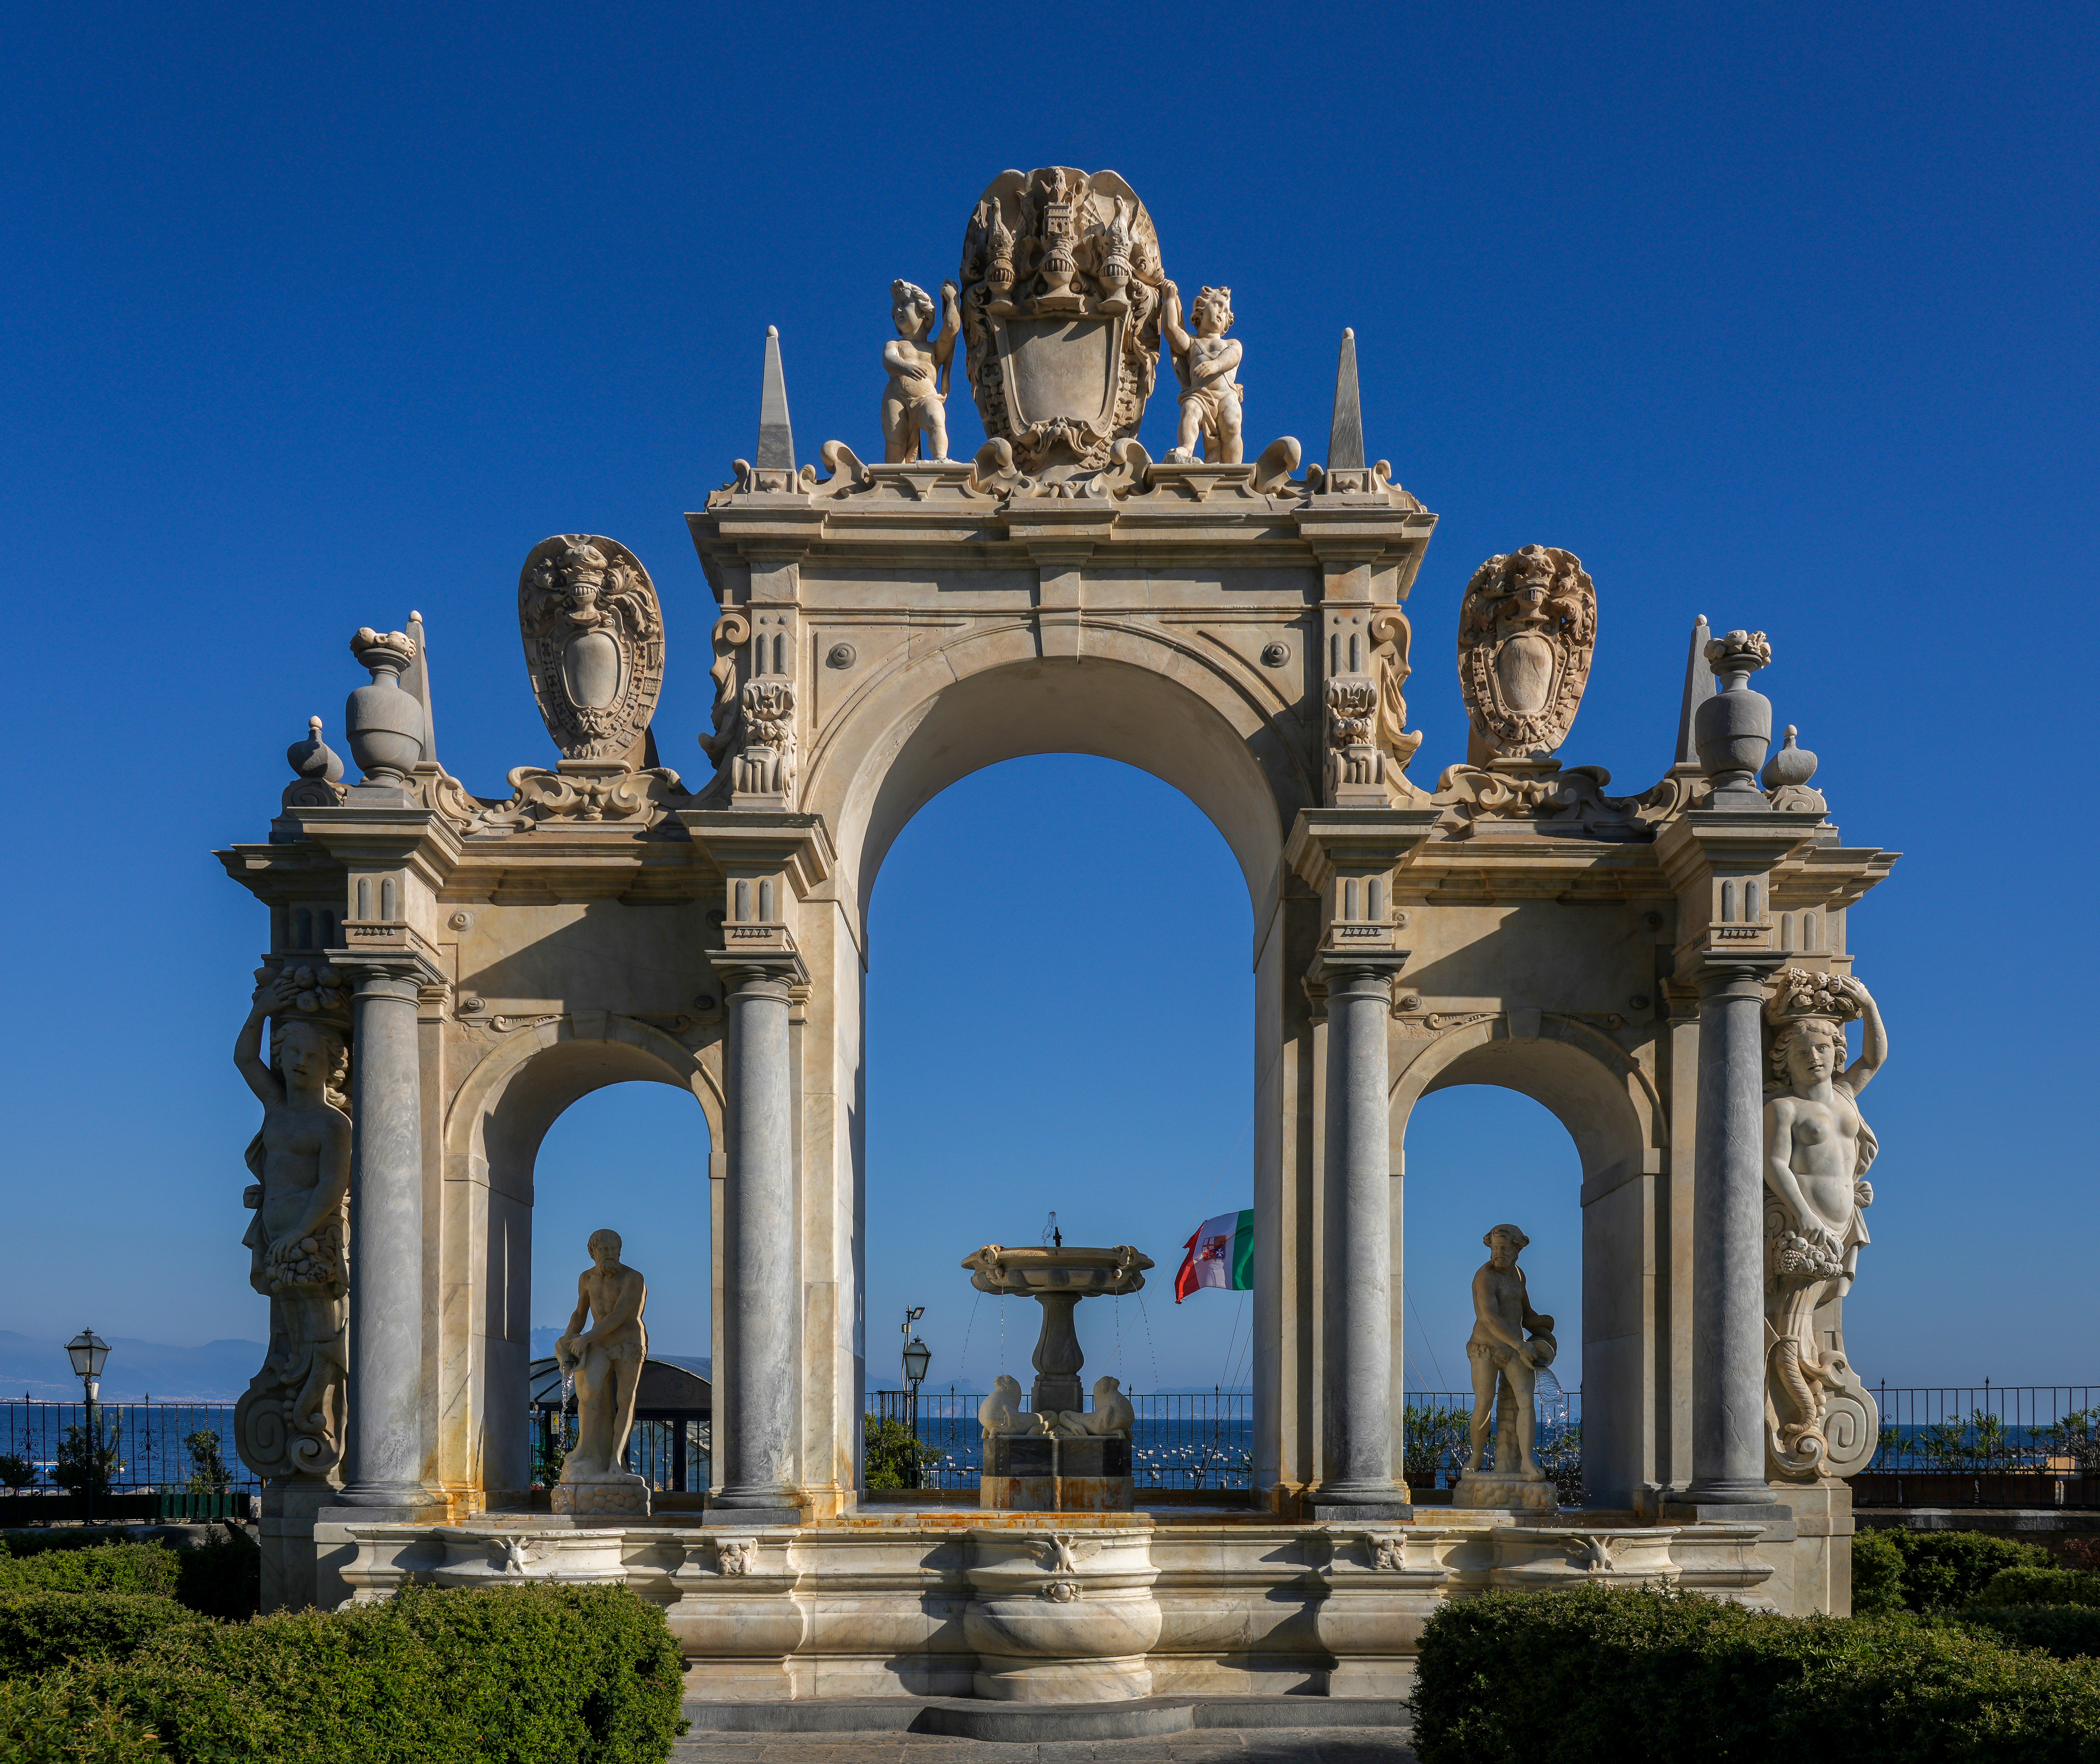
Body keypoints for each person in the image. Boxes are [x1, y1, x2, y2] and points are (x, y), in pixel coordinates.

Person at [233, 968, 351, 1453]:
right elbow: (243, 1058)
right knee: (289, 1338)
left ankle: (323, 1425)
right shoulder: (276, 1107)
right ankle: (307, 1419)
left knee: (322, 1339)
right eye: (293, 1054)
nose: (301, 1063)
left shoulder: (332, 1124)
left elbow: (332, 1185)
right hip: (275, 1239)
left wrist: (301, 1231)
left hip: (309, 1242)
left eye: (312, 1056)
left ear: (332, 1066)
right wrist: (261, 1010)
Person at [555, 1229, 649, 1479]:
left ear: (620, 1251)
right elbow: (580, 1314)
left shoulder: (633, 1278)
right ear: (593, 1253)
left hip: (628, 1342)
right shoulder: (586, 1278)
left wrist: (586, 1338)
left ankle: (617, 1461)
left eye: (613, 1250)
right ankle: (585, 1448)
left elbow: (620, 1316)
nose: (609, 1254)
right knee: (589, 1393)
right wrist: (568, 1341)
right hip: (598, 1341)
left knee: (626, 1400)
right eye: (604, 1250)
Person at [1465, 1223, 1555, 1480]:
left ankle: (1527, 1461)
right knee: (1484, 1401)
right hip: (1486, 1349)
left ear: (1518, 1249)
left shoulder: (1518, 1274)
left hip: (1517, 1347)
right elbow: (1490, 1319)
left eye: (1505, 1248)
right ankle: (1477, 1457)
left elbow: (1525, 1314)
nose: (1499, 1253)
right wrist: (1521, 1345)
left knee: (1526, 1402)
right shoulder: (1484, 1277)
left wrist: (1544, 1324)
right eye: (1495, 1248)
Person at [1161, 282, 1244, 464]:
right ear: (1201, 308)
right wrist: (1169, 298)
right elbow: (1171, 330)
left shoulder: (1231, 343)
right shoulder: (1193, 344)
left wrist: (1216, 365)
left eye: (1226, 311)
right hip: (1200, 395)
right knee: (1190, 410)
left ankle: (1234, 467)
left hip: (1226, 396)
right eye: (1218, 305)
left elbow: (1234, 356)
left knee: (1232, 425)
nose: (1222, 313)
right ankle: (1187, 449)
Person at [881, 279, 960, 463]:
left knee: (936, 420)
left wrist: (952, 300)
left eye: (905, 304)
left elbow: (951, 329)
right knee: (895, 443)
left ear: (924, 314)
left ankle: (941, 459)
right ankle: (892, 478)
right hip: (896, 397)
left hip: (926, 397)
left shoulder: (933, 349)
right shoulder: (895, 344)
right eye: (897, 306)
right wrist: (907, 368)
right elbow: (888, 360)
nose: (899, 310)